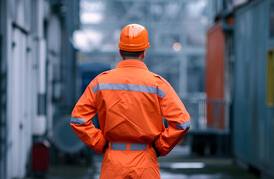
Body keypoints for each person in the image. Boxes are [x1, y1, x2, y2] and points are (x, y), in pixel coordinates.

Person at [70, 23, 191, 179]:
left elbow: (78, 120)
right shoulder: (157, 84)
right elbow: (183, 122)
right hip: (145, 161)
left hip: (113, 162)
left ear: (120, 51)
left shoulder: (101, 82)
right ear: (144, 53)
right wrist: (159, 147)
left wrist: (101, 143)